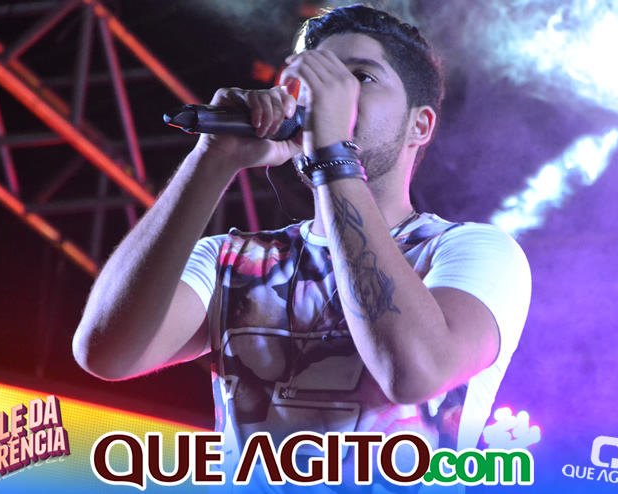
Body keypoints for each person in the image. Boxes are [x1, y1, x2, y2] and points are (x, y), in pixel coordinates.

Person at [73, 4, 531, 492]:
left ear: (420, 125)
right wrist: (213, 158)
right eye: (315, 78)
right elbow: (106, 353)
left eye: (360, 77)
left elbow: (416, 372)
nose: (330, 94)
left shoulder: (472, 252)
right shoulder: (231, 260)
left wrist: (333, 154)